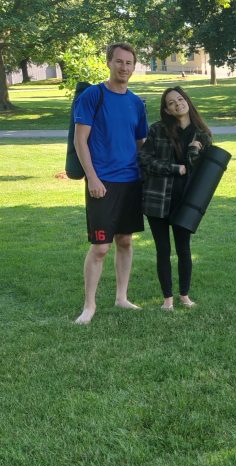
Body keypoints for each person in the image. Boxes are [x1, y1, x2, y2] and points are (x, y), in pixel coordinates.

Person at [73, 43, 148, 324]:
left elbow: (141, 144)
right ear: (108, 63)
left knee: (126, 241)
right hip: (102, 181)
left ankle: (121, 297)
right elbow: (80, 140)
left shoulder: (136, 103)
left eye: (129, 63)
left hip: (131, 181)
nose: (124, 67)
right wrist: (92, 177)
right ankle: (89, 306)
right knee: (101, 247)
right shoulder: (94, 95)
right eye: (119, 61)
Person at [138, 87, 212, 310]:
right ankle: (167, 299)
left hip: (186, 200)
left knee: (184, 249)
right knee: (163, 249)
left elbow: (200, 170)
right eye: (171, 103)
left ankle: (184, 296)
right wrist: (173, 168)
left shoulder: (203, 134)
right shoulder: (157, 130)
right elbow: (144, 160)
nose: (177, 104)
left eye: (180, 99)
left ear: (187, 101)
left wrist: (194, 151)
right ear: (167, 110)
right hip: (158, 198)